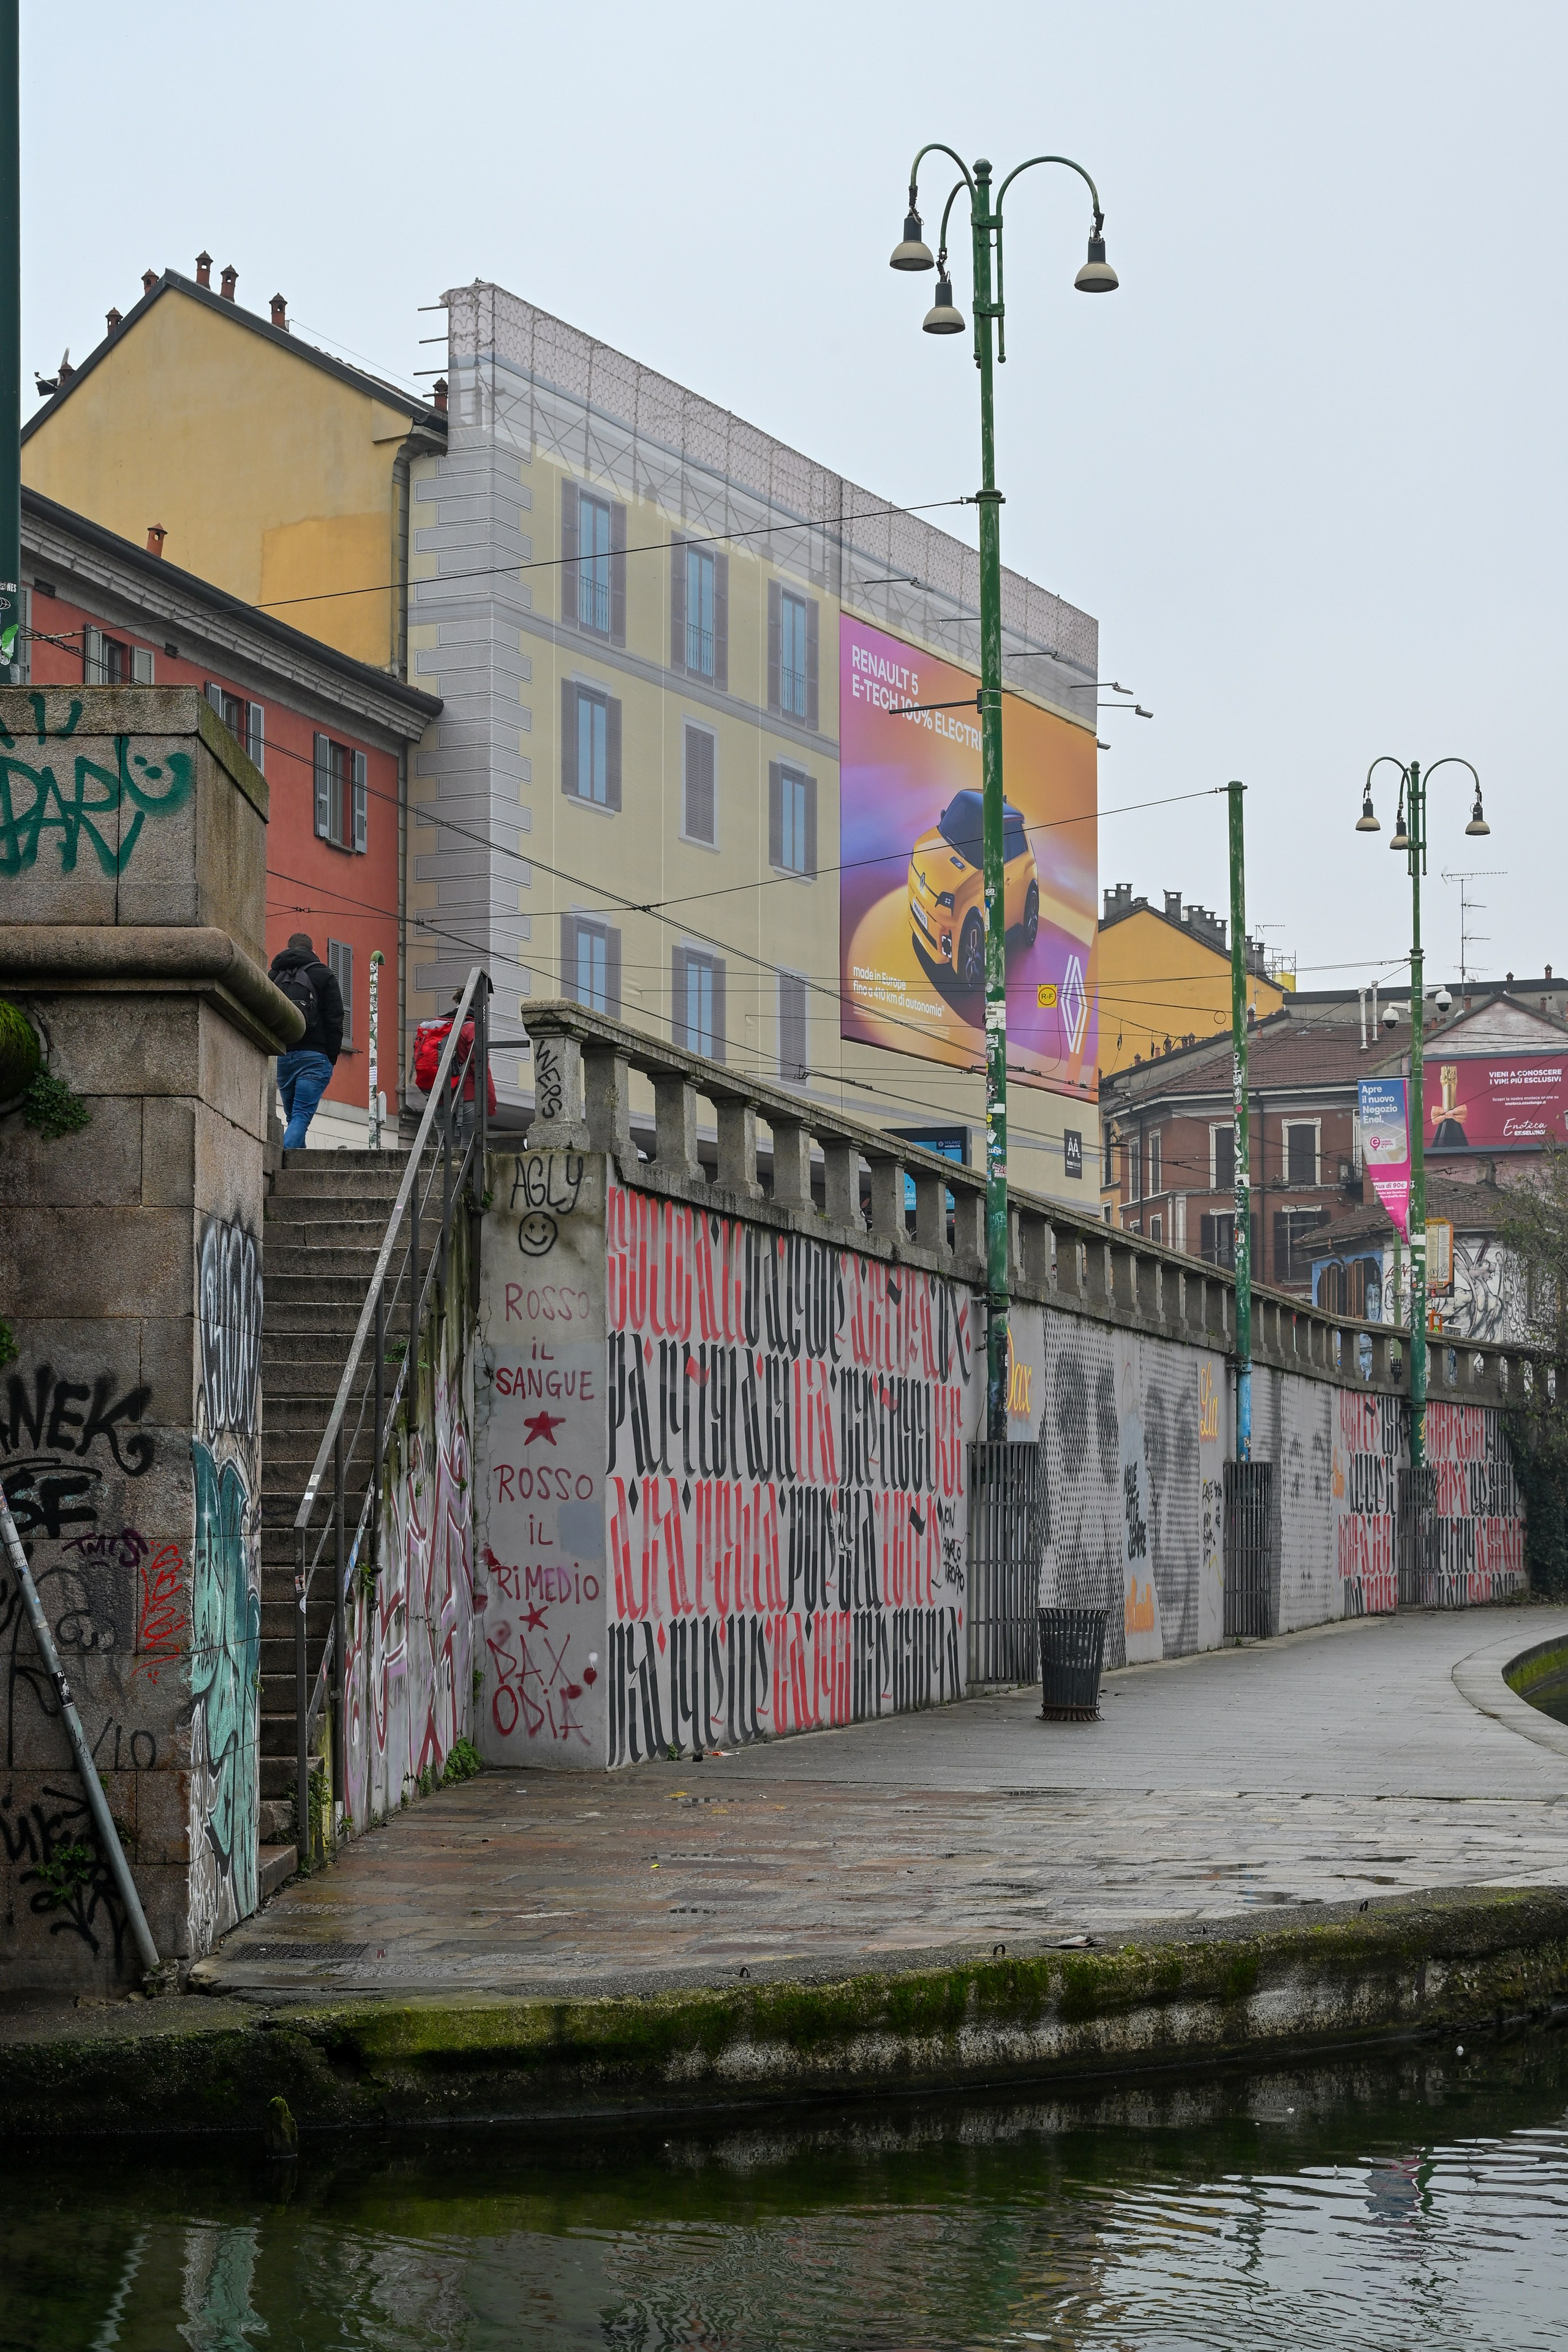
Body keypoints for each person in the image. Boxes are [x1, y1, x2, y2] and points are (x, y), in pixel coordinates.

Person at [269, 932, 344, 1148]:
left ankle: (292, 1168)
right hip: (315, 1057)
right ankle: (280, 1163)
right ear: (312, 951)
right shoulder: (323, 975)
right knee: (301, 1116)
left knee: (294, 1118)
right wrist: (331, 1056)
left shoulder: (273, 976)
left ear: (288, 948)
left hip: (283, 1056)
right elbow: (335, 1018)